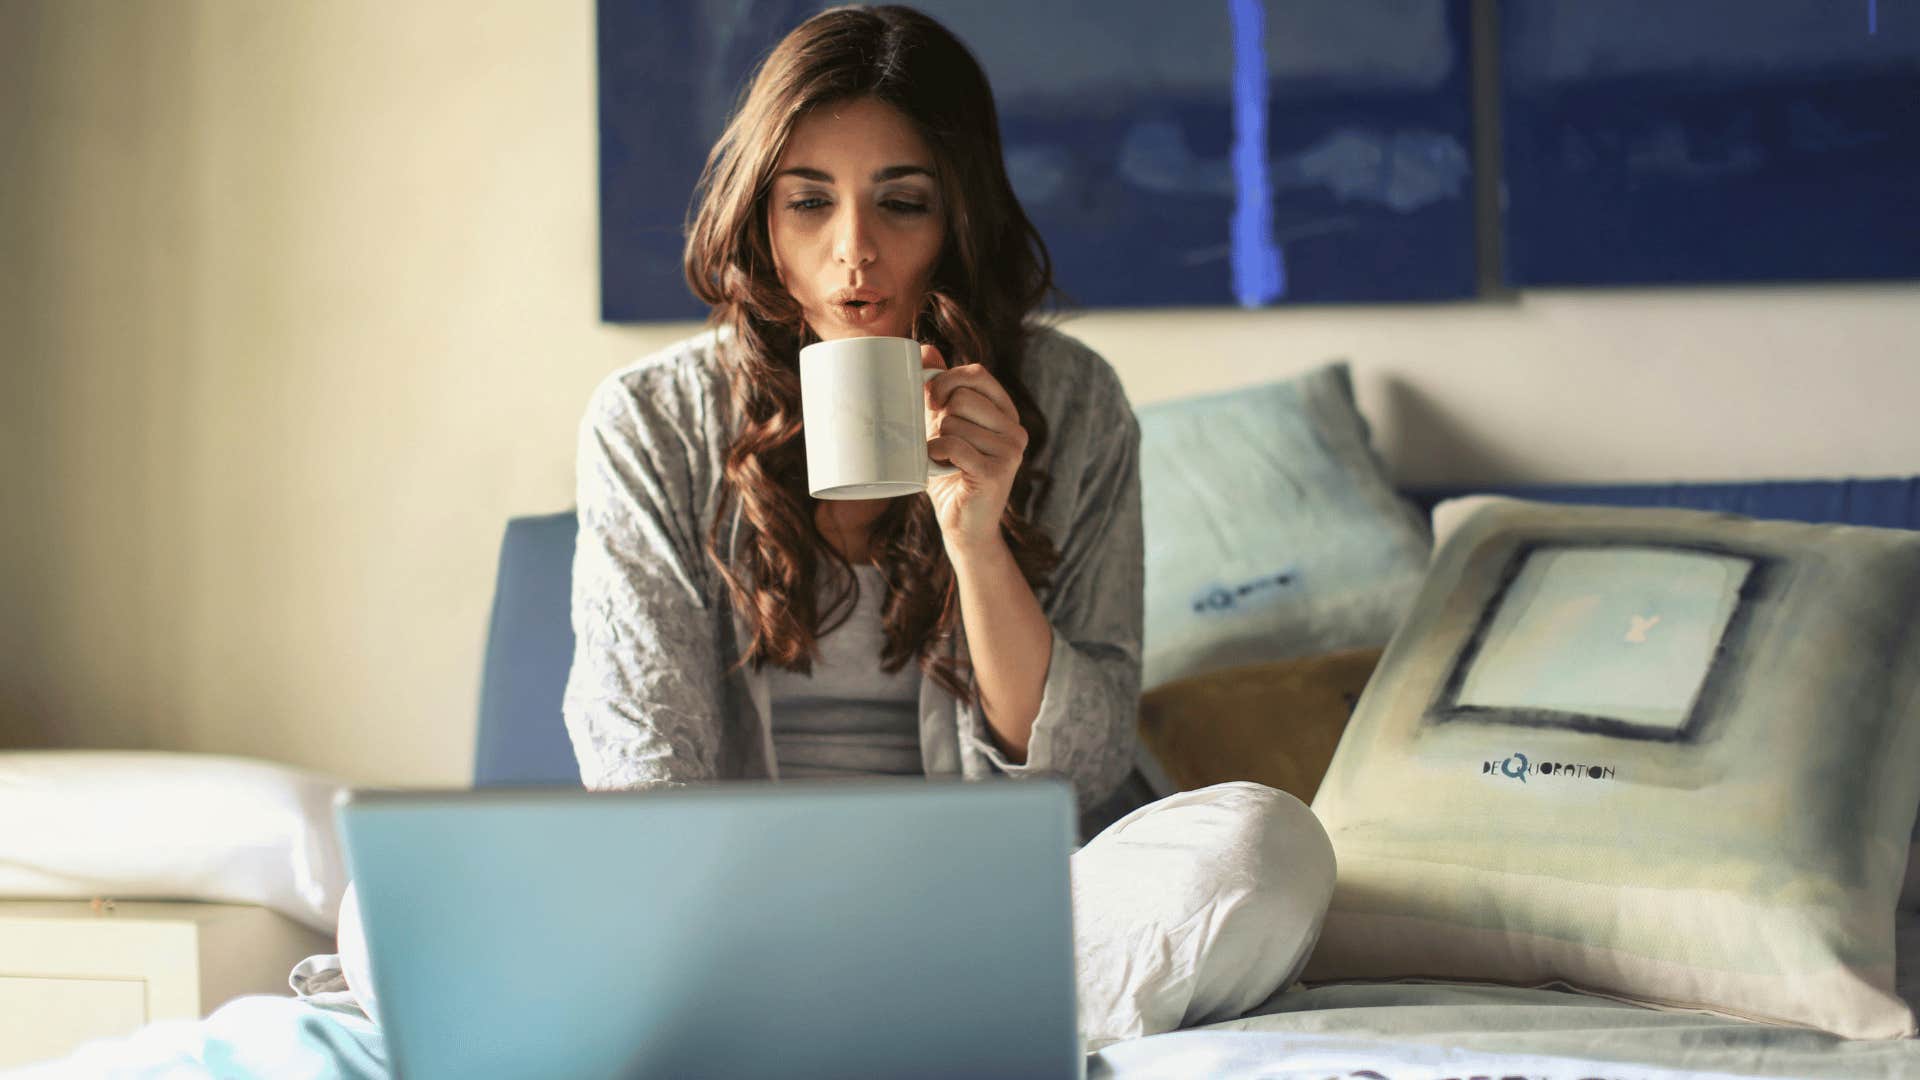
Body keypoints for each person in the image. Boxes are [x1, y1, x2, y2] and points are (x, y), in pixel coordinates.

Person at [549, 3, 1336, 1050]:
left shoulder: (1073, 401)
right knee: (382, 917)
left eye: (902, 203)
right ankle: (929, 1023)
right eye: (809, 202)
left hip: (1000, 910)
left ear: (959, 217)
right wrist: (733, 918)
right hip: (736, 912)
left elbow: (1080, 769)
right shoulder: (651, 422)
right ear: (758, 216)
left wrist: (977, 537)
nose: (855, 254)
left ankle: (840, 1022)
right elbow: (642, 767)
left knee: (1265, 849)